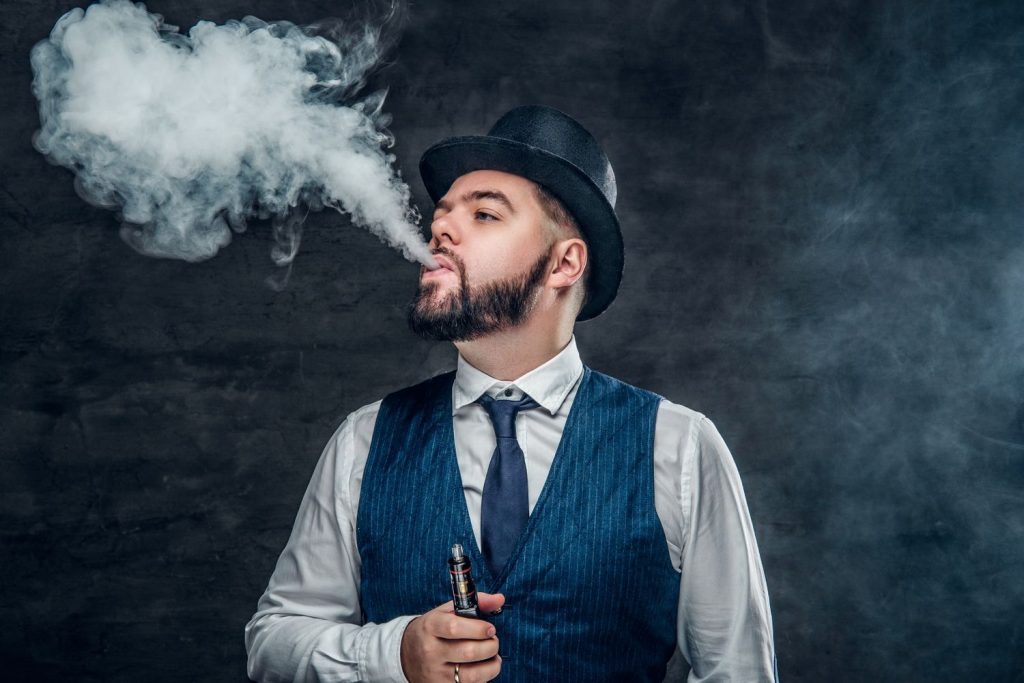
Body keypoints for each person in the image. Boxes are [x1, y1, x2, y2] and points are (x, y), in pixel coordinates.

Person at [245, 105, 778, 683]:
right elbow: (274, 641)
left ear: (564, 262)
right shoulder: (364, 440)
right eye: (442, 215)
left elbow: (737, 672)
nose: (440, 230)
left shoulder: (679, 447)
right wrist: (392, 655)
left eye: (485, 214)